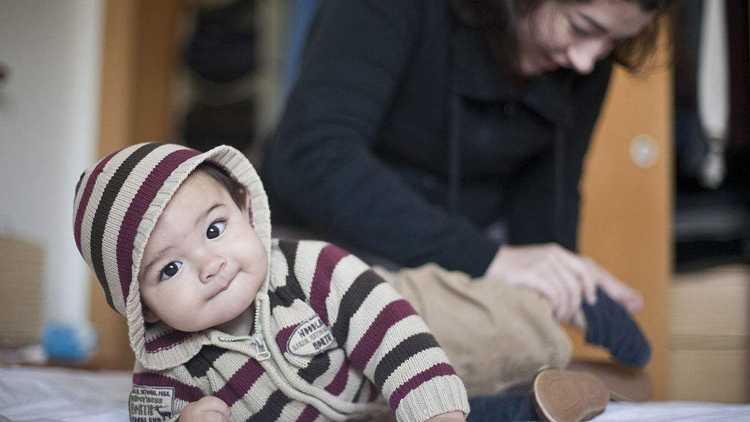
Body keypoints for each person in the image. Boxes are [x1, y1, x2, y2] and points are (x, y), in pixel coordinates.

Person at [72, 142, 635, 422]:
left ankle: (577, 317)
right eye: (168, 269)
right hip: (380, 413)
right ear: (138, 302)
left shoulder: (313, 267)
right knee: (488, 405)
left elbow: (395, 338)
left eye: (215, 229)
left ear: (245, 209)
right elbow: (154, 416)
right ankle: (550, 400)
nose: (209, 264)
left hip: (403, 324)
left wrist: (434, 411)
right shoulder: (167, 369)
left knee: (499, 334)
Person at [263, 0, 677, 323]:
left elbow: (547, 198)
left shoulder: (585, 64)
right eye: (583, 27)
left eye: (613, 42)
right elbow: (311, 156)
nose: (588, 60)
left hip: (455, 264)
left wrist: (566, 285)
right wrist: (490, 260)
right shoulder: (391, 9)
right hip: (322, 246)